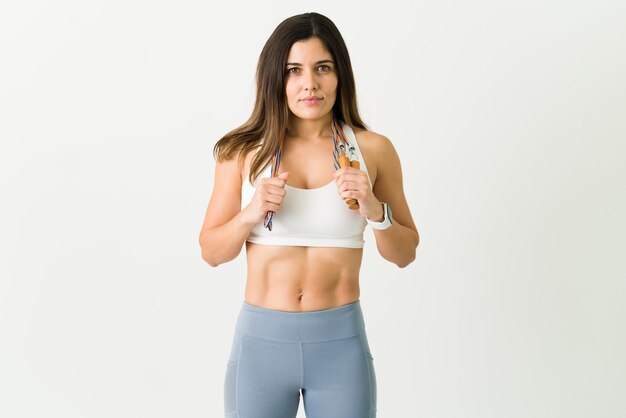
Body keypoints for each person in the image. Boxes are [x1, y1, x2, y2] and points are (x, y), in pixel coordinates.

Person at [199, 12, 419, 418]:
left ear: (340, 76)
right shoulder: (242, 151)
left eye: (323, 68)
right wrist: (250, 213)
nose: (309, 84)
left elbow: (405, 253)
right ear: (275, 79)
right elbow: (211, 251)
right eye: (294, 70)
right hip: (260, 348)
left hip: (340, 346)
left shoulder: (372, 150)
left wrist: (374, 209)